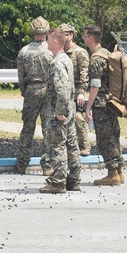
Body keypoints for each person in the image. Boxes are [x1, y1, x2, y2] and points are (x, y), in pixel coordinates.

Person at [40, 27, 82, 194]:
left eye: (48, 40)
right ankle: (74, 179)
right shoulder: (66, 59)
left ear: (55, 41)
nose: (46, 43)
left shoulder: (57, 63)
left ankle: (58, 182)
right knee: (72, 144)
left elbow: (62, 91)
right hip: (69, 109)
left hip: (61, 110)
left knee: (57, 145)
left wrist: (59, 112)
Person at [84, 24, 125, 185]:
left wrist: (88, 106)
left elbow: (95, 85)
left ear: (91, 38)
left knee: (104, 139)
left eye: (85, 36)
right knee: (114, 136)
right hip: (112, 102)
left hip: (101, 104)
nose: (83, 38)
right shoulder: (107, 54)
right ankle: (119, 171)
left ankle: (112, 174)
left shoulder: (95, 59)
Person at [14, 16, 53, 174]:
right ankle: (47, 165)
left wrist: (26, 90)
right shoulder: (51, 51)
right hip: (47, 90)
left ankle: (22, 162)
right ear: (47, 31)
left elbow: (20, 77)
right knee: (48, 128)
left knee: (28, 128)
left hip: (31, 90)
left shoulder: (24, 52)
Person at [61, 24, 92, 156]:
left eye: (66, 34)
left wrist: (81, 93)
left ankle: (84, 145)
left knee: (79, 118)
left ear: (71, 35)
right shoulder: (58, 52)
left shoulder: (80, 52)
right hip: (63, 92)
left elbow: (85, 73)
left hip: (76, 91)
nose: (64, 37)